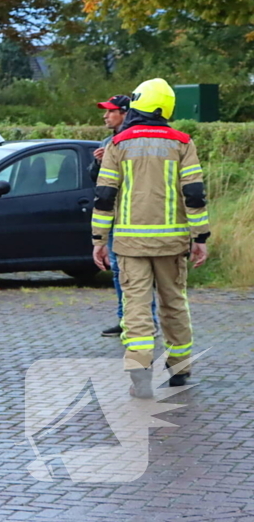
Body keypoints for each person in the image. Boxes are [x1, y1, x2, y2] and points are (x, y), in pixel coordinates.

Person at [92, 78, 210, 398]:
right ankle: (179, 370)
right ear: (166, 107)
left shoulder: (119, 143)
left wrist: (98, 240)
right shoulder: (182, 142)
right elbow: (194, 195)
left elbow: (104, 196)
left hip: (130, 245)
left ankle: (140, 375)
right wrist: (200, 237)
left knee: (136, 308)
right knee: (174, 304)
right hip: (172, 243)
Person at [91, 95, 157, 337]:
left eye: (110, 112)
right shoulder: (109, 141)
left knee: (140, 272)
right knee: (119, 272)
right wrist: (99, 163)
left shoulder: (136, 142)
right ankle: (125, 319)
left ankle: (147, 321)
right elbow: (99, 182)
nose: (105, 116)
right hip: (116, 217)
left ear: (125, 113)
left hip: (137, 217)